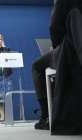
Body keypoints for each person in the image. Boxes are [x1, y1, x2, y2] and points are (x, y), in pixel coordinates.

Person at [32, 0, 82, 134]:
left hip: (69, 48)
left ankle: (45, 116)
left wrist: (56, 46)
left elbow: (55, 26)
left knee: (37, 66)